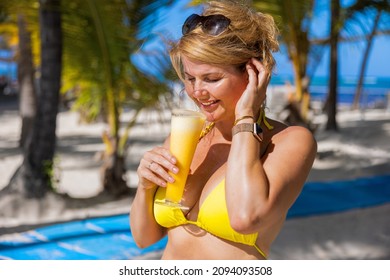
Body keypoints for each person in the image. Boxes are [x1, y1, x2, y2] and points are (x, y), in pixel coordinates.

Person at [130, 0, 317, 260]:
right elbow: (143, 238)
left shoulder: (289, 142)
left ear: (252, 73)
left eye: (212, 79)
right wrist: (145, 186)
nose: (196, 92)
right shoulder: (186, 136)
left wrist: (246, 117)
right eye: (190, 78)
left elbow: (245, 218)